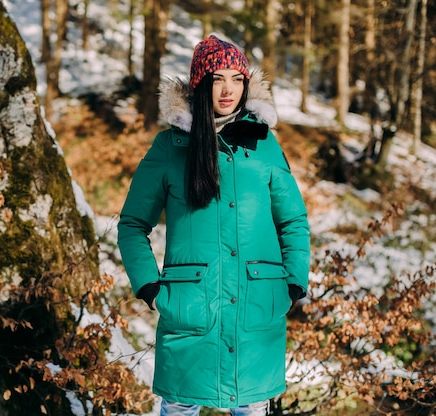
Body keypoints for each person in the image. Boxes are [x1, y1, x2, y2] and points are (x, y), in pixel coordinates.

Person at [117, 35, 310, 416]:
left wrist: (293, 283)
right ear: (200, 83)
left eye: (237, 79)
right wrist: (150, 288)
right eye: (218, 78)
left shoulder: (264, 145)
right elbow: (132, 225)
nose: (228, 89)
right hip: (190, 313)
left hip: (257, 310)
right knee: (180, 408)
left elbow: (293, 220)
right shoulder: (169, 148)